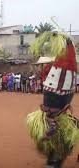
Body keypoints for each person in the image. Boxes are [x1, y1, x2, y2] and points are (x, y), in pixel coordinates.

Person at [27, 33, 79, 168]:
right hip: (55, 108)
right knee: (57, 132)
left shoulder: (58, 73)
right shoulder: (50, 71)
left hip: (57, 110)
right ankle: (54, 157)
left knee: (58, 132)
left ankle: (55, 158)